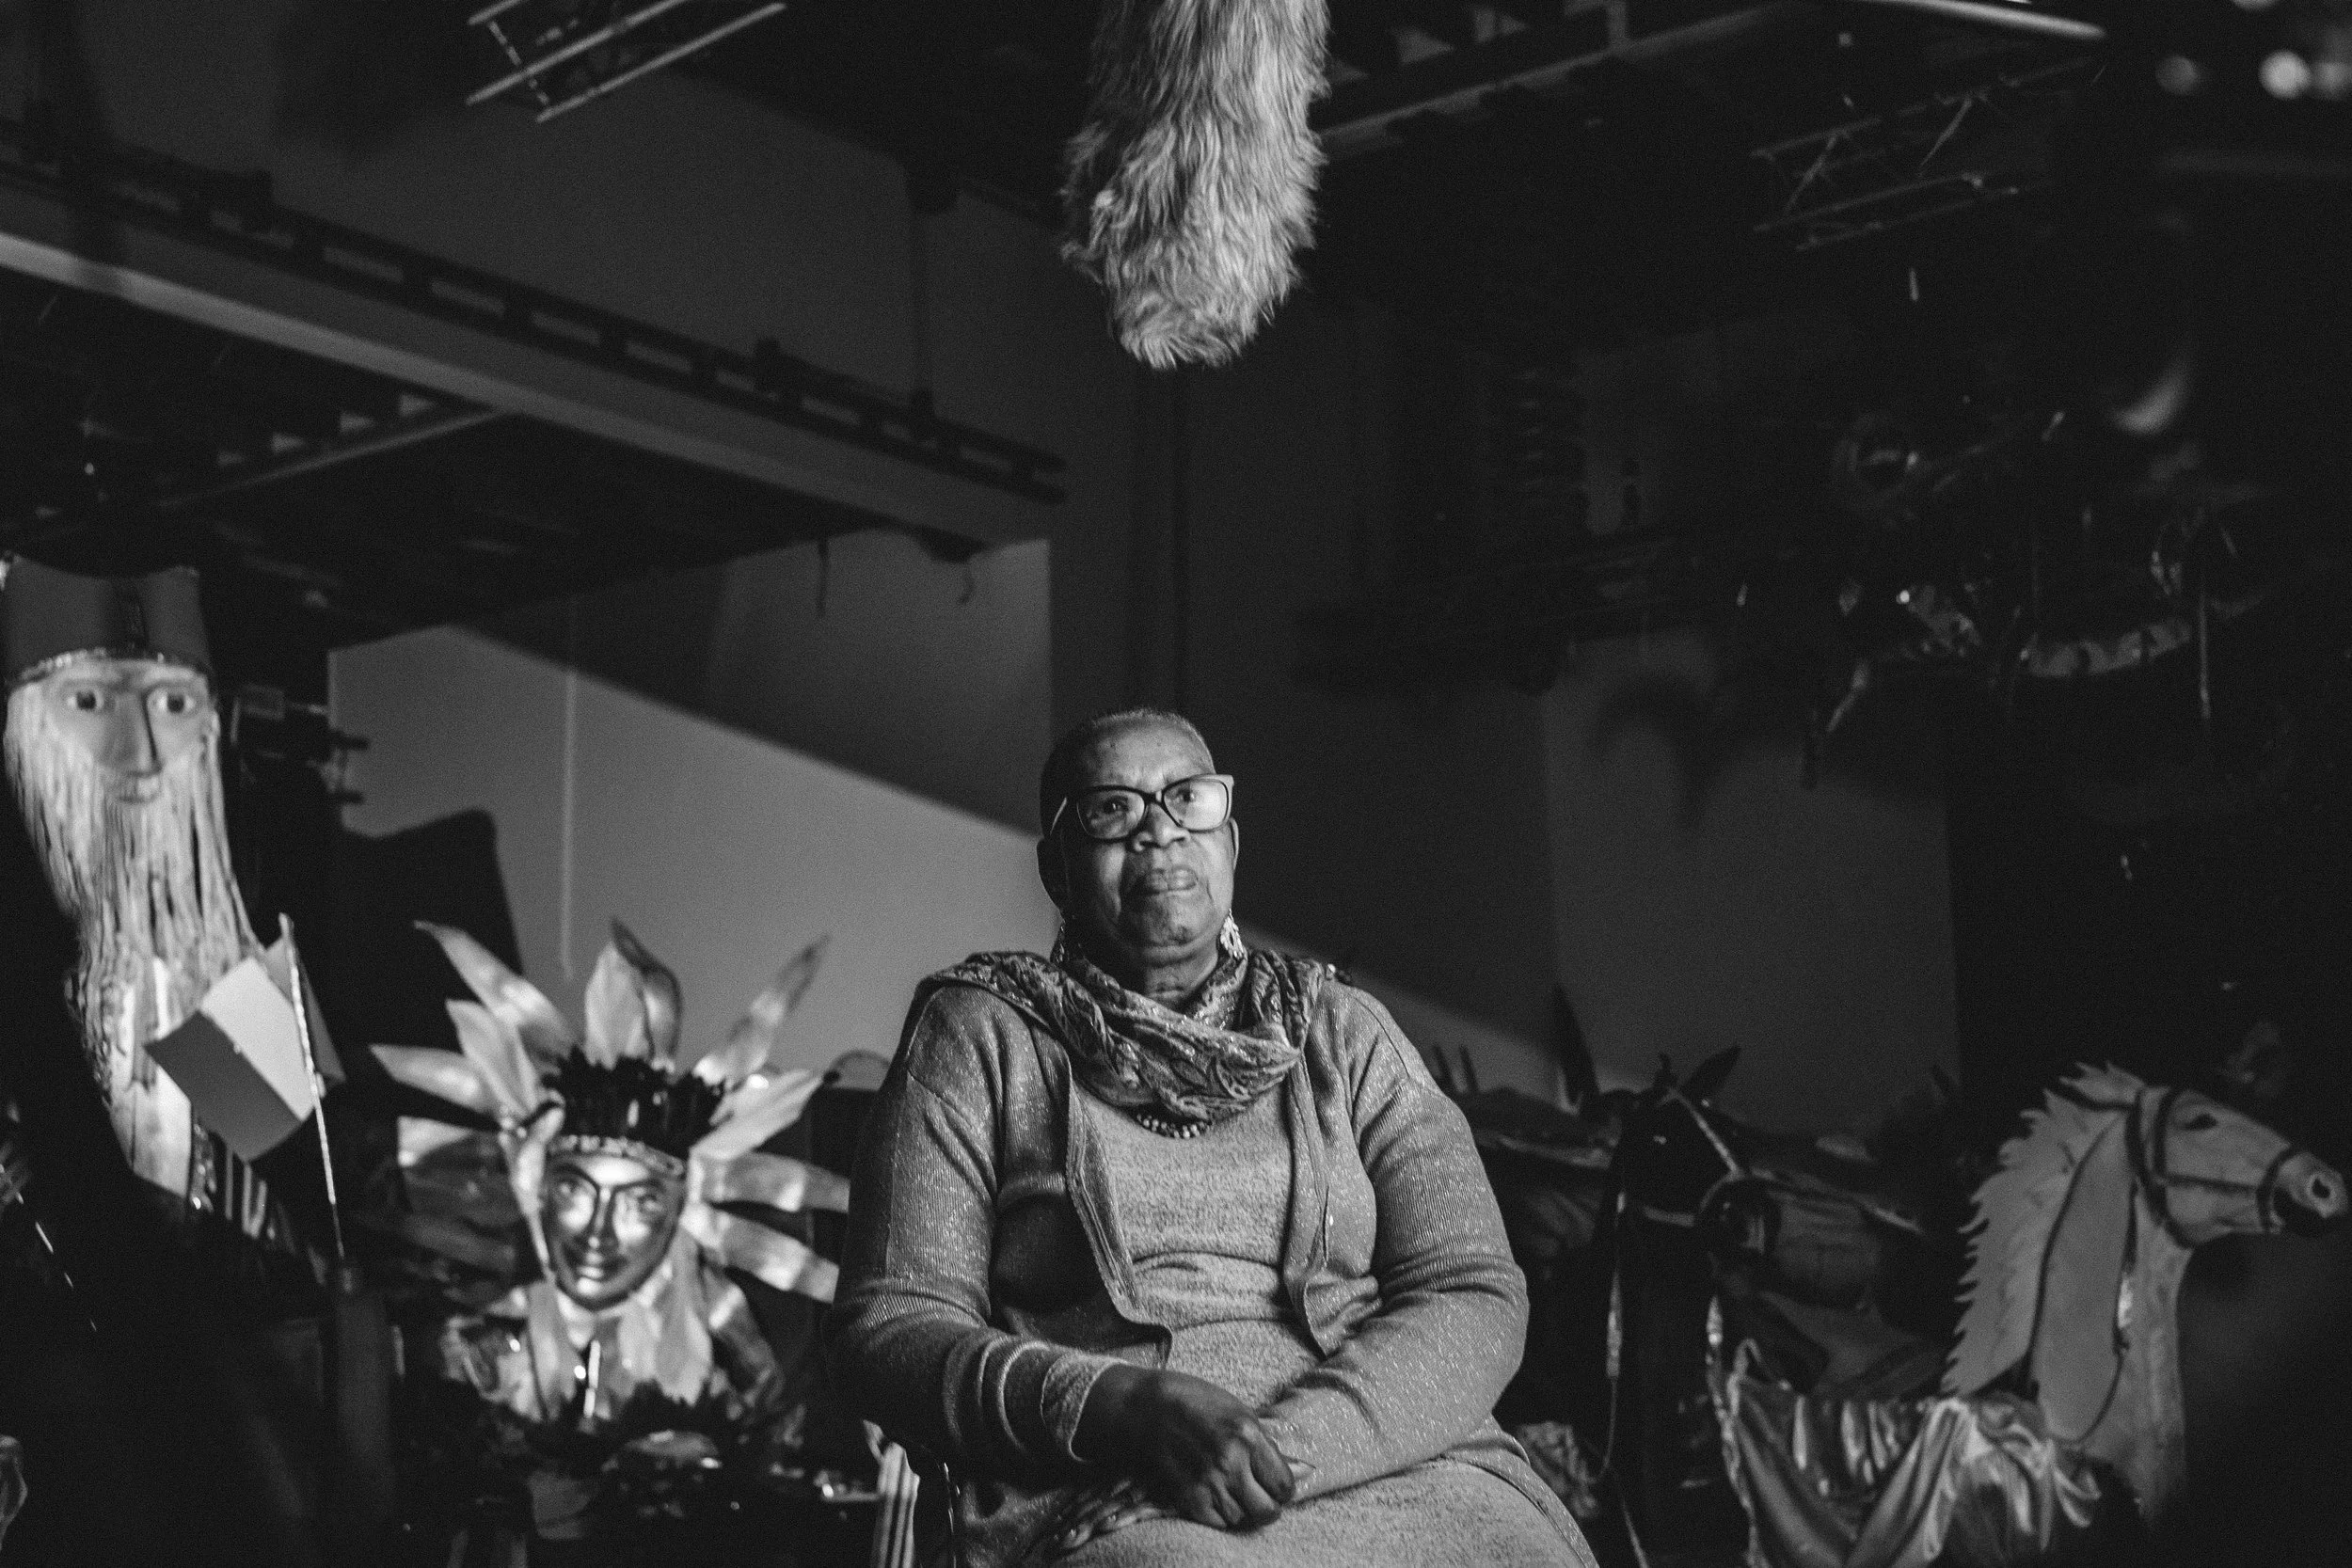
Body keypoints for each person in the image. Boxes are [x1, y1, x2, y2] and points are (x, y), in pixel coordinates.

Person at [830, 709, 1596, 1567]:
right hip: (1107, 1484)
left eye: (1187, 800)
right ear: (1056, 865)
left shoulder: (1345, 1032)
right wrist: (1119, 1408)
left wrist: (1287, 1450)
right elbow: (886, 1328)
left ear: (1229, 841)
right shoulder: (979, 1037)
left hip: (1391, 1455)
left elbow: (1474, 1288)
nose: (1159, 830)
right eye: (1111, 810)